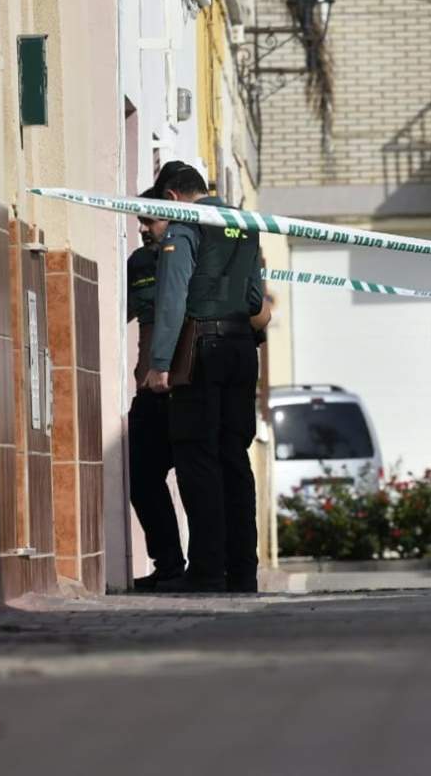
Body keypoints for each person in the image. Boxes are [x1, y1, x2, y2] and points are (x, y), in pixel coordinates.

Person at [145, 161, 266, 594]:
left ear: (173, 197)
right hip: (240, 349)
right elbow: (254, 298)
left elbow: (173, 297)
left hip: (202, 350)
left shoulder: (186, 225)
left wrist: (160, 363)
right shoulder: (244, 223)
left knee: (198, 460)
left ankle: (207, 572)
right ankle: (242, 573)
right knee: (235, 460)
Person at [126, 189, 186, 591]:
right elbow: (126, 309)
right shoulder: (140, 262)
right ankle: (168, 565)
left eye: (149, 220)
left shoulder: (192, 254)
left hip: (188, 385)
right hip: (150, 389)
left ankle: (211, 568)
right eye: (140, 222)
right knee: (143, 479)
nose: (143, 229)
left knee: (200, 480)